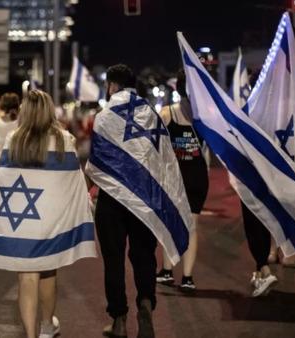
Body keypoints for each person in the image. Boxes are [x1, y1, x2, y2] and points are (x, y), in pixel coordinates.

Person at [0, 90, 97, 338]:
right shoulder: (64, 140)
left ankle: (31, 335)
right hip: (51, 222)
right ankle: (47, 326)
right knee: (49, 271)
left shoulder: (14, 139)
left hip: (24, 221)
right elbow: (74, 183)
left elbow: (4, 183)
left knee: (26, 276)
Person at [86, 64, 194, 338]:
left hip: (112, 200)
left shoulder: (104, 117)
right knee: (144, 256)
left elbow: (97, 162)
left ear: (112, 86)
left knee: (114, 260)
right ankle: (145, 303)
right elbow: (163, 162)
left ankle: (119, 319)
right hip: (144, 201)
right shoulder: (152, 116)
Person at [155, 69, 208, 291]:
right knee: (192, 226)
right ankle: (187, 278)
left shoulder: (167, 113)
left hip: (175, 176)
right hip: (198, 176)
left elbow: (153, 143)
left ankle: (167, 271)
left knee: (170, 223)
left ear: (179, 87)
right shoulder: (206, 116)